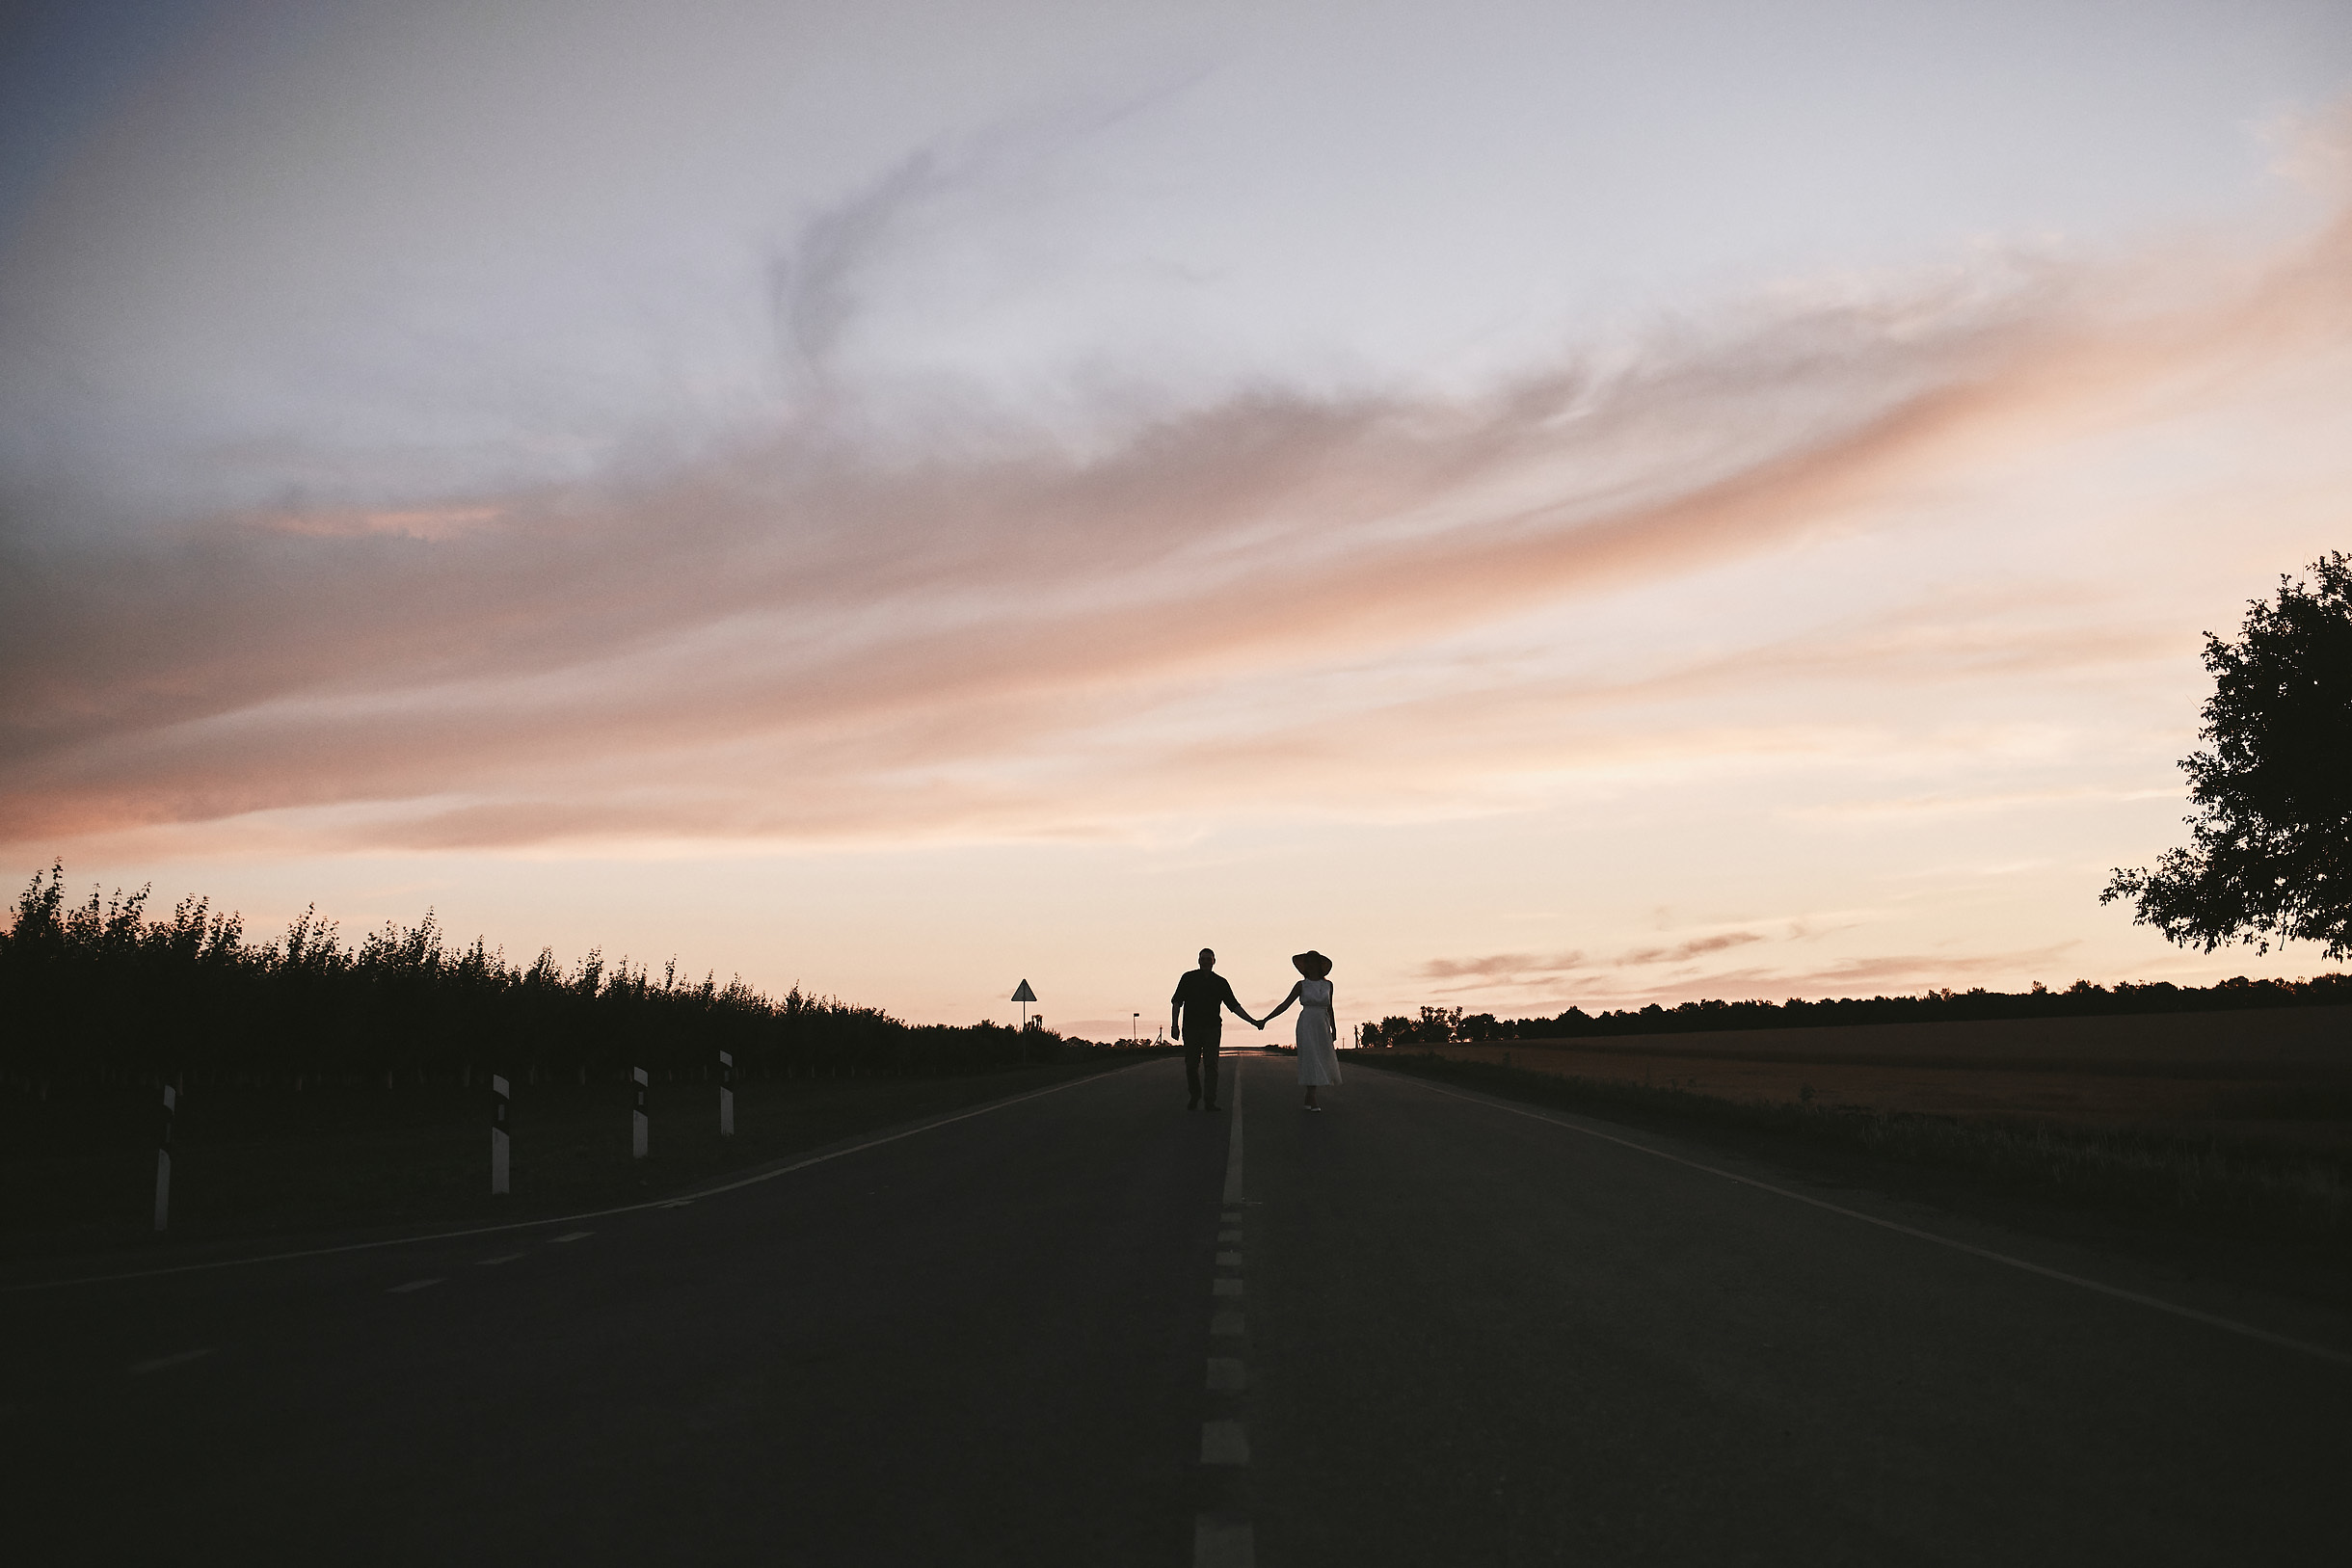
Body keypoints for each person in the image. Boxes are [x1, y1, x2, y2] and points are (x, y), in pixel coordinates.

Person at [1170, 947, 1260, 1111]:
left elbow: (1234, 1006)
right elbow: (1177, 1002)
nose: (1205, 962)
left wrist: (1253, 1021)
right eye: (1203, 959)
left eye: (1208, 959)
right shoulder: (1188, 978)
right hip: (1191, 1028)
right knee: (1191, 1065)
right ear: (1198, 961)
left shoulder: (1220, 983)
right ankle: (1195, 1095)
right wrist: (1174, 1025)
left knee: (1211, 1065)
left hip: (1212, 1029)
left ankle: (1210, 1100)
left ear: (1214, 961)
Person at [1261, 950, 1339, 1109]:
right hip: (1307, 1023)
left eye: (1313, 961)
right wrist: (1265, 1019)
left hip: (1322, 1023)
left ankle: (1308, 1096)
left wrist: (1334, 1028)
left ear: (1318, 964)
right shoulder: (1301, 985)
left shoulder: (1328, 985)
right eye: (1307, 962)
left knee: (1321, 1057)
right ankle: (1312, 1096)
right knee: (1310, 1057)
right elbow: (1285, 1004)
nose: (1310, 964)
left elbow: (1330, 1007)